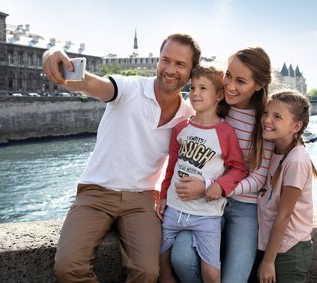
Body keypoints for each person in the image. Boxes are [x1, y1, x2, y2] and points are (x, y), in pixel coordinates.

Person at [42, 33, 201, 283]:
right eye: (165, 60)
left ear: (192, 72)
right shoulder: (129, 88)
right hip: (96, 192)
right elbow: (91, 83)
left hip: (143, 199)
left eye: (180, 64)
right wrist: (52, 56)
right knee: (68, 267)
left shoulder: (189, 115)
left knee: (148, 272)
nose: (170, 69)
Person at [170, 47, 274, 283]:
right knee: (181, 259)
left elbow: (258, 178)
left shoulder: (264, 121)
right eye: (228, 75)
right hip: (203, 204)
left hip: (242, 208)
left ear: (258, 85)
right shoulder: (218, 109)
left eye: (241, 81)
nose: (229, 85)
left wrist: (214, 187)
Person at [157, 66, 247, 283]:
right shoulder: (180, 129)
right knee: (163, 267)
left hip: (206, 214)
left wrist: (219, 185)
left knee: (211, 273)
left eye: (203, 88)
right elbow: (171, 167)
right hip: (174, 210)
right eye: (193, 87)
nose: (195, 93)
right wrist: (162, 195)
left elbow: (238, 168)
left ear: (218, 95)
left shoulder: (225, 133)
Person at [257, 90, 317, 283]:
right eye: (266, 113)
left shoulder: (297, 160)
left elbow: (284, 214)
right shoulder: (274, 150)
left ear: (296, 126)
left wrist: (268, 261)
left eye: (277, 117)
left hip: (287, 252)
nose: (267, 120)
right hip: (274, 248)